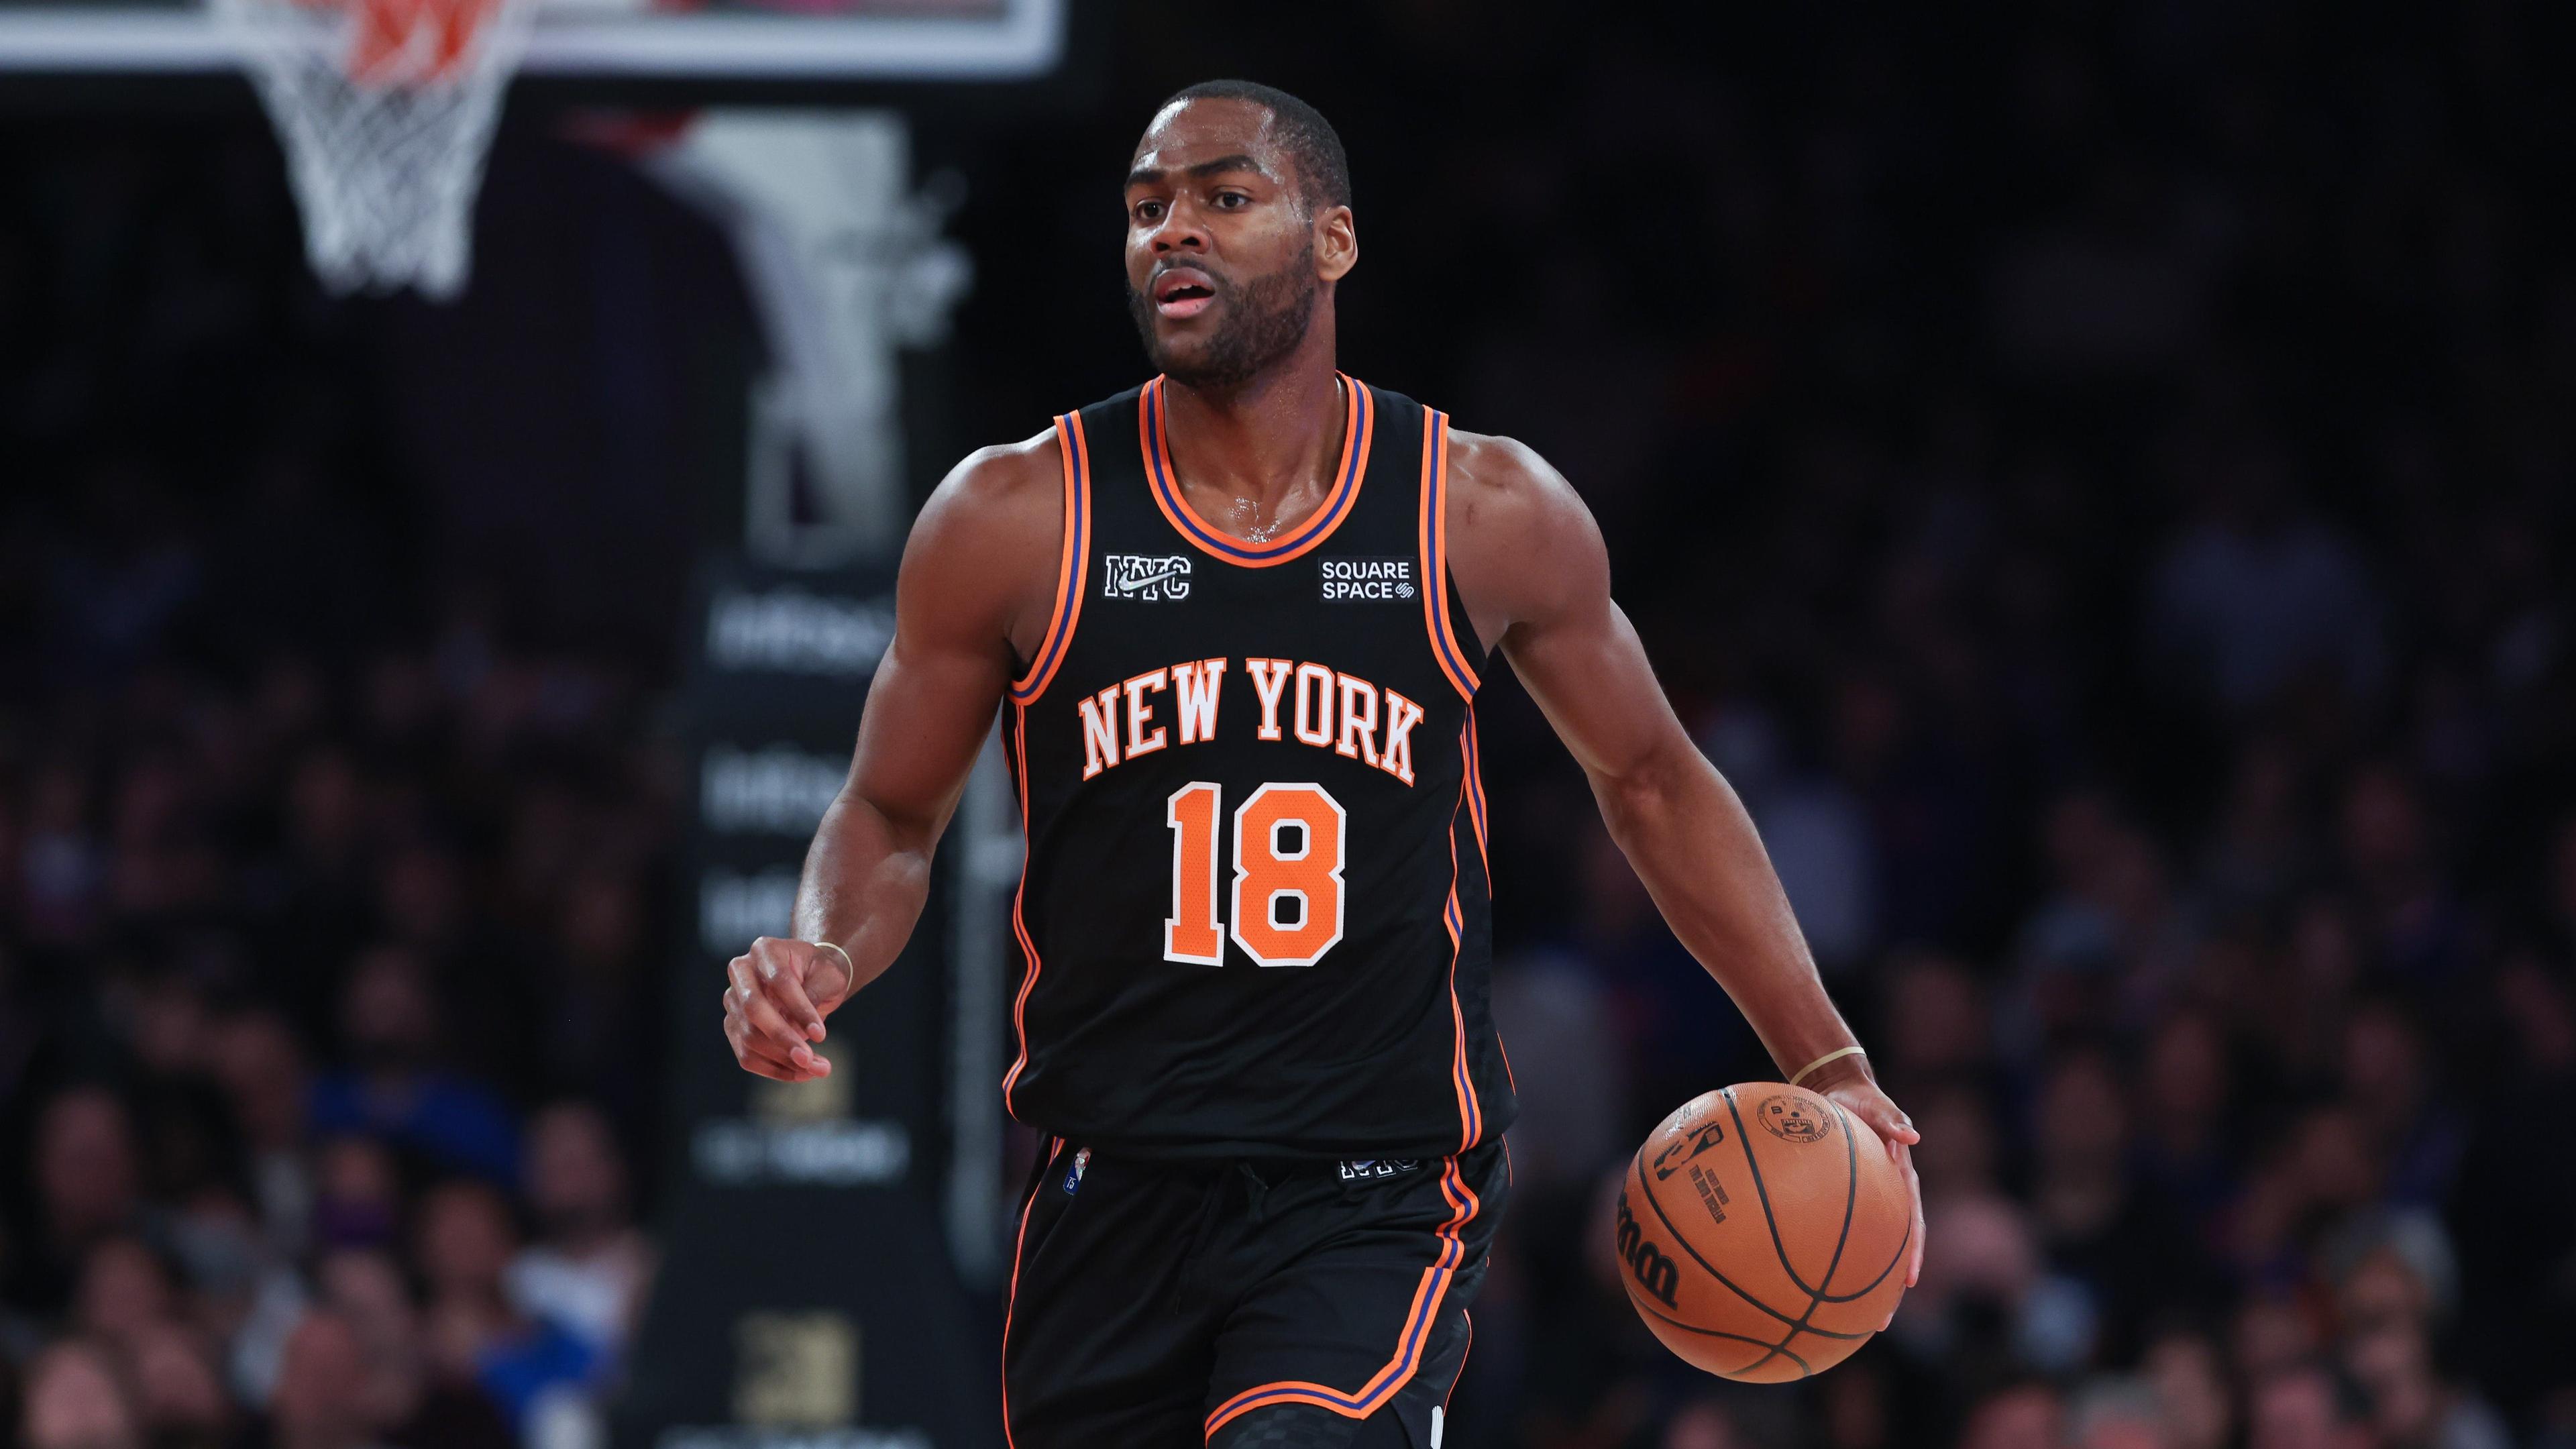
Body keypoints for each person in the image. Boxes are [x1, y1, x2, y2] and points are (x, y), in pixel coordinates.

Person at [721, 78, 1923, 1448]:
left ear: (1334, 241)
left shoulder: (1477, 508)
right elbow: (889, 811)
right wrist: (822, 952)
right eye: (1145, 208)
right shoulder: (1014, 516)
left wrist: (1824, 1058)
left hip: (1370, 1190)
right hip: (1108, 1194)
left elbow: (1652, 780)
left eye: (1224, 198)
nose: (1173, 231)